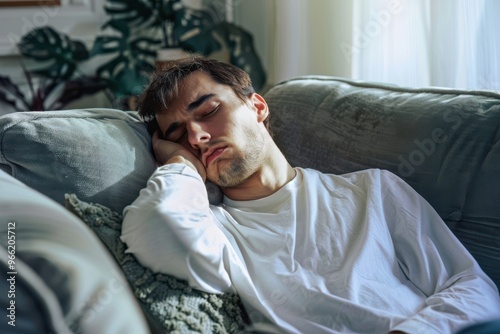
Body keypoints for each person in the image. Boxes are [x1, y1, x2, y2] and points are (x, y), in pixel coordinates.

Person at [120, 56, 500, 334]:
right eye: (178, 136)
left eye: (208, 111)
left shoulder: (372, 191)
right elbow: (158, 232)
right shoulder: (214, 227)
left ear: (257, 106)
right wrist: (181, 165)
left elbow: (472, 288)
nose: (197, 137)